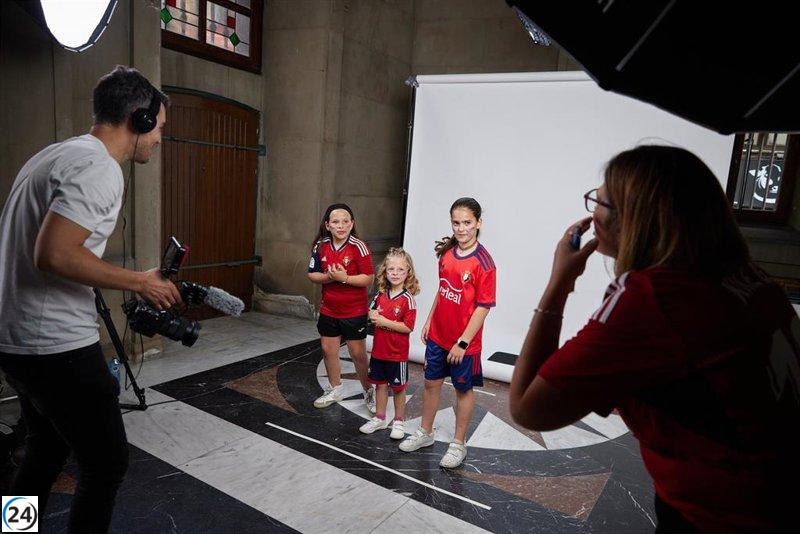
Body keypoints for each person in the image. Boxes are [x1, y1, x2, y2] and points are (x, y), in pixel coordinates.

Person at [509, 145, 799, 532]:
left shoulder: (655, 296)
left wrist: (559, 283)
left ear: (637, 219)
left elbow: (528, 408)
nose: (593, 213)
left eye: (602, 202)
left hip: (723, 516)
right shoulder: (747, 277)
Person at [0, 66, 181, 533]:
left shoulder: (56, 154)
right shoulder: (99, 168)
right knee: (106, 464)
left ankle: (13, 530)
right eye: (159, 128)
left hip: (17, 341)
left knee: (45, 450)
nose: (158, 139)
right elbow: (54, 253)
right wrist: (140, 282)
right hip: (54, 345)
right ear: (139, 119)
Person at [399, 198, 496, 469]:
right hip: (438, 337)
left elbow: (483, 308)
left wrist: (462, 343)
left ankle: (458, 444)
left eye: (467, 223)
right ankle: (425, 432)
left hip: (464, 344)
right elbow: (443, 291)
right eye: (456, 223)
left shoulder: (484, 263)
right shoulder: (447, 254)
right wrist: (430, 320)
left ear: (479, 223)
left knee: (463, 390)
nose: (461, 228)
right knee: (431, 384)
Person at [308, 203, 376, 412]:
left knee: (358, 354)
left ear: (352, 224)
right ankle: (335, 389)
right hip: (329, 310)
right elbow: (312, 274)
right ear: (327, 225)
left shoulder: (359, 246)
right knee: (328, 350)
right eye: (336, 222)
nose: (341, 226)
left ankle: (369, 390)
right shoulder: (321, 246)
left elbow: (369, 279)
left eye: (345, 221)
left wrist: (344, 278)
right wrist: (329, 277)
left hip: (354, 312)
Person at [359, 248, 420, 439]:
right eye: (391, 269)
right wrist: (372, 314)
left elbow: (408, 327)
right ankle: (380, 417)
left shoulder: (408, 300)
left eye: (400, 270)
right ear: (385, 271)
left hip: (397, 355)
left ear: (408, 272)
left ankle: (399, 421)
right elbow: (371, 311)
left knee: (399, 389)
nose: (395, 273)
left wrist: (385, 322)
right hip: (379, 352)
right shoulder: (380, 295)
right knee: (380, 385)